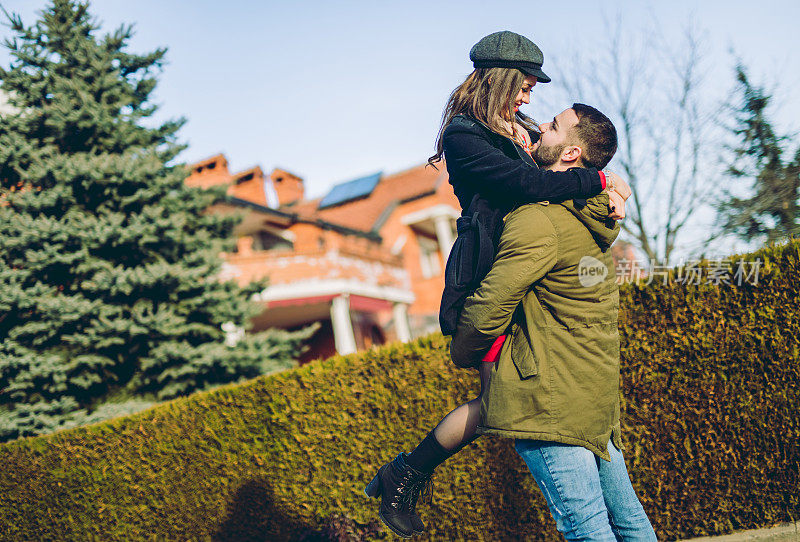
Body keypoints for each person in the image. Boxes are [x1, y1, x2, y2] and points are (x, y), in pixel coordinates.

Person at [364, 30, 631, 538]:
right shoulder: (465, 136)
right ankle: (407, 473)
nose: (532, 97)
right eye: (526, 85)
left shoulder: (517, 128)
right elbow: (528, 185)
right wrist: (599, 182)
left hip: (524, 268)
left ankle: (406, 472)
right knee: (496, 405)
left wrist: (615, 182)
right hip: (488, 272)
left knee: (498, 406)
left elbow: (566, 160)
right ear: (502, 79)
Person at [450, 104, 657, 541]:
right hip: (593, 393)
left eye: (554, 126)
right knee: (628, 520)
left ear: (571, 154)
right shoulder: (595, 217)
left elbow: (492, 302)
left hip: (550, 397)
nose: (541, 128)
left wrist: (464, 350)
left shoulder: (540, 220)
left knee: (585, 528)